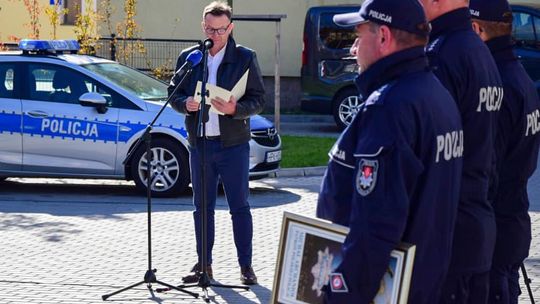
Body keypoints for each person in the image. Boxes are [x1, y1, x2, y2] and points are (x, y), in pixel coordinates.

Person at [316, 0, 463, 302]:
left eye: (359, 35)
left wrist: (341, 295)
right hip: (425, 281)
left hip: (391, 289)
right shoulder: (436, 94)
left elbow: (376, 225)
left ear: (383, 37)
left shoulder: (388, 107)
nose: (353, 48)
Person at [168, 1, 265, 285]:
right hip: (200, 145)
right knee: (202, 208)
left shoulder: (245, 57)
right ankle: (204, 265)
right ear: (203, 26)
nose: (216, 34)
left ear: (230, 27)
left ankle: (246, 266)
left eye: (221, 29)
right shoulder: (191, 57)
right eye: (210, 28)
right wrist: (185, 103)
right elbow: (173, 92)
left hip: (233, 145)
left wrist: (237, 109)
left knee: (239, 207)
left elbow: (258, 99)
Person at [418, 0, 504, 302]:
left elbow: (434, 155)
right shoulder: (479, 50)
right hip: (476, 223)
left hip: (448, 236)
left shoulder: (441, 54)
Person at [469, 0, 540, 302]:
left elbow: (489, 166)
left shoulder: (497, 85)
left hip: (496, 227)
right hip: (514, 220)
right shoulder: (521, 77)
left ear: (477, 30)